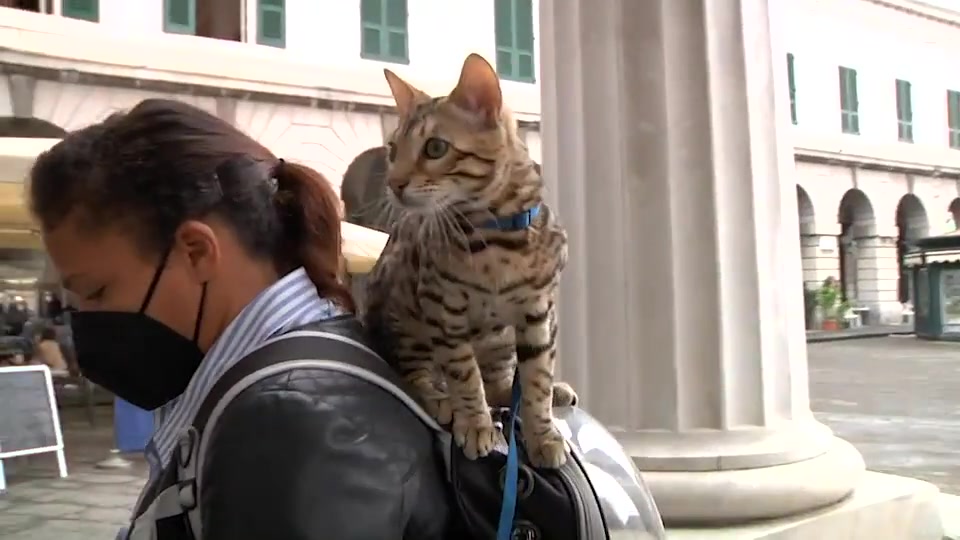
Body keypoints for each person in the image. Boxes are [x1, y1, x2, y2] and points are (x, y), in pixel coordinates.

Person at [28, 99, 451, 540]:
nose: (88, 322)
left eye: (98, 292)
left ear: (196, 251)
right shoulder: (271, 383)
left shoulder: (289, 422)